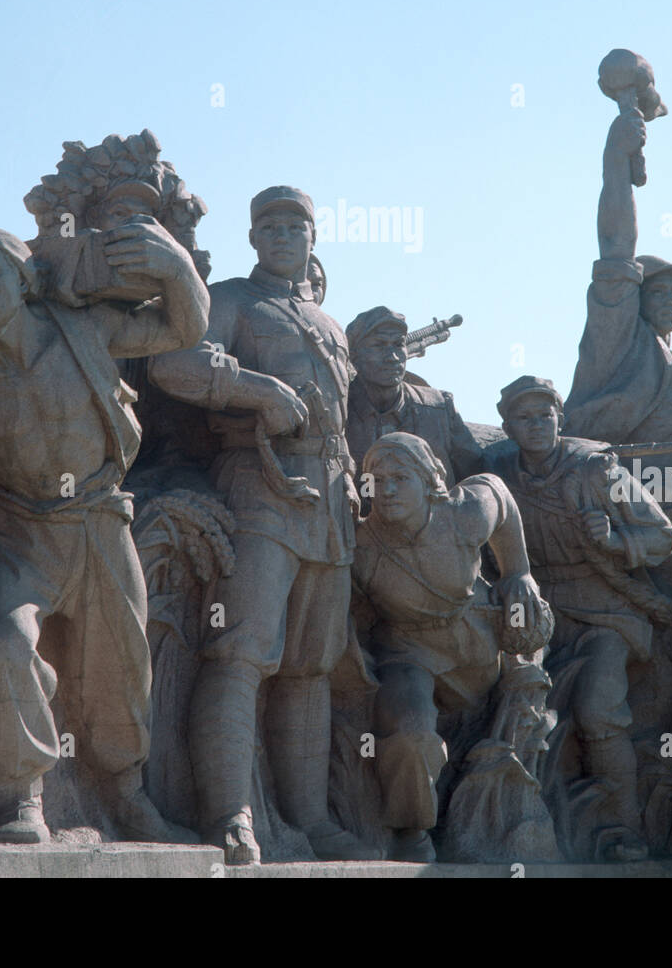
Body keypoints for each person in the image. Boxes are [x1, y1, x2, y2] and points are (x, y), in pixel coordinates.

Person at [0, 221, 208, 843]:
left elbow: (183, 328)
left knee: (120, 674)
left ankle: (124, 794)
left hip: (98, 521)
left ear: (23, 279)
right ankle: (20, 798)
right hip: (14, 531)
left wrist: (178, 269)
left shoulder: (85, 330)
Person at [149, 185, 372, 864]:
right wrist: (260, 390)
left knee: (309, 666)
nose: (281, 234)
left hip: (330, 502)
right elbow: (174, 363)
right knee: (242, 652)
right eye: (268, 225)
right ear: (252, 238)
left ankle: (308, 819)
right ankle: (230, 813)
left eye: (294, 225)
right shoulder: (235, 300)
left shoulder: (329, 323)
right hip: (259, 484)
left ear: (313, 236)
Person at [488, 375, 672, 860]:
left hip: (604, 614)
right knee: (508, 700)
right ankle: (513, 818)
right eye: (524, 418)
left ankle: (624, 829)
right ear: (508, 427)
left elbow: (663, 536)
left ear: (560, 419)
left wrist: (615, 540)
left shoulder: (597, 469)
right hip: (536, 615)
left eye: (545, 415)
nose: (537, 426)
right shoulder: (499, 475)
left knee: (597, 711)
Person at [353, 432, 550, 862]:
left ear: (429, 482)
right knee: (411, 731)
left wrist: (519, 572)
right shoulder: (361, 545)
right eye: (376, 479)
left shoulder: (465, 513)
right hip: (408, 652)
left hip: (475, 645)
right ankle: (412, 832)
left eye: (400, 478)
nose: (386, 490)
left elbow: (502, 495)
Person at [562, 104, 672, 467]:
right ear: (635, 298)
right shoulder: (619, 339)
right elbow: (617, 251)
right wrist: (617, 163)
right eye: (658, 291)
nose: (671, 301)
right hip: (617, 496)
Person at [344, 306, 484, 487]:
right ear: (354, 357)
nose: (393, 357)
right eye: (379, 345)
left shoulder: (439, 408)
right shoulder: (337, 412)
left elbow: (476, 476)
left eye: (398, 344)